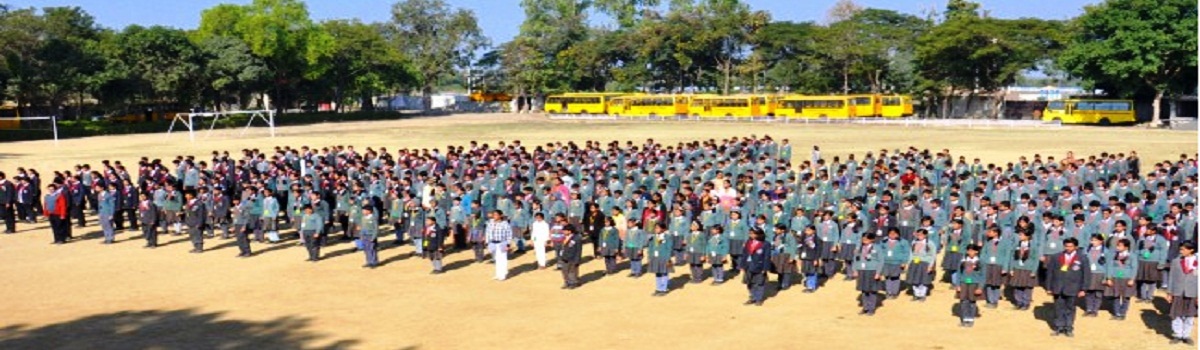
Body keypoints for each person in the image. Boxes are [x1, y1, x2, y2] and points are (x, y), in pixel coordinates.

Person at [1044, 237, 1088, 337]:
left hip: (1073, 287)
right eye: (1066, 246)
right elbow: (1050, 272)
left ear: (1076, 247)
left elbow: (1086, 274)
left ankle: (1068, 327)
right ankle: (1059, 327)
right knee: (1058, 307)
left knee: (1070, 308)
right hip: (1058, 286)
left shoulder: (1082, 258)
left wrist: (1083, 289)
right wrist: (1048, 287)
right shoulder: (1056, 256)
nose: (1068, 248)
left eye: (1070, 246)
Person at [1166, 241, 1197, 345]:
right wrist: (1169, 292)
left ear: (1191, 250)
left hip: (1193, 292)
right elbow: (1171, 277)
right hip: (1178, 291)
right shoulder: (1176, 261)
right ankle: (1178, 334)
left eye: (1183, 249)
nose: (1181, 251)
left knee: (1190, 315)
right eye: (1180, 249)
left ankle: (1186, 335)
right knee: (1176, 313)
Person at [1104, 238, 1137, 320]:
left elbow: (1134, 267)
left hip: (1127, 278)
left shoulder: (1132, 256)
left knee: (1126, 296)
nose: (1117, 247)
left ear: (1126, 247)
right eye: (1117, 245)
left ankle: (1123, 313)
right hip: (1116, 277)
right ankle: (1116, 312)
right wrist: (1109, 278)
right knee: (1116, 295)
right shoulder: (1114, 255)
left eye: (1120, 246)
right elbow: (1110, 266)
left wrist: (1132, 279)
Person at [1007, 229, 1040, 310]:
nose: (1020, 236)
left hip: (1028, 268)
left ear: (1027, 236)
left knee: (1027, 287)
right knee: (1017, 286)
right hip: (1017, 267)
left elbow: (1036, 259)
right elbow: (1012, 257)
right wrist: (1011, 268)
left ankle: (1026, 303)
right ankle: (1019, 302)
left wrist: (1033, 271)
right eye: (1019, 235)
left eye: (1021, 235)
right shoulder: (1017, 244)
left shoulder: (1033, 245)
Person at [853, 232, 884, 316]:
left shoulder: (877, 248)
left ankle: (871, 308)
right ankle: (865, 307)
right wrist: (855, 270)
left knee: (872, 290)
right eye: (863, 239)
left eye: (866, 239)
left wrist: (878, 273)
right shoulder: (859, 247)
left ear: (872, 240)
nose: (864, 241)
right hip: (862, 270)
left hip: (872, 270)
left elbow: (881, 260)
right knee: (864, 290)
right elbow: (855, 259)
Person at [1135, 226, 1168, 303]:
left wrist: (1161, 262)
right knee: (1142, 279)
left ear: (1154, 231)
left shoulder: (1160, 239)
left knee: (1152, 280)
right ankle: (1143, 296)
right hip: (1142, 260)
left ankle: (1149, 297)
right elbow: (1137, 248)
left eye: (1149, 229)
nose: (1147, 231)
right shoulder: (1142, 238)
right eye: (1147, 229)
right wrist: (1138, 256)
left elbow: (1163, 251)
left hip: (1154, 261)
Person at [979, 227, 1010, 308]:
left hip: (998, 265)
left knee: (996, 284)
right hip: (988, 264)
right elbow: (983, 252)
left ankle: (995, 301)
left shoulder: (1005, 243)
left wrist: (1005, 268)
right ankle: (990, 300)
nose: (989, 233)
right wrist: (983, 261)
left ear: (996, 233)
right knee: (988, 283)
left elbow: (1007, 256)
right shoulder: (988, 242)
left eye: (991, 232)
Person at [957, 244, 984, 327]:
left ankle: (971, 319)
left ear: (976, 251)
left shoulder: (980, 262)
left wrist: (980, 287)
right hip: (964, 283)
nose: (970, 252)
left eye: (972, 251)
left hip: (974, 283)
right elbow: (959, 273)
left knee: (972, 301)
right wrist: (958, 285)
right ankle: (965, 318)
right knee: (963, 301)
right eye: (968, 251)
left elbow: (983, 275)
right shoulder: (963, 261)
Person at [742, 228, 771, 306]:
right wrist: (742, 265)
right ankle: (752, 297)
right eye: (750, 233)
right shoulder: (748, 242)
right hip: (748, 265)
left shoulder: (765, 244)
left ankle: (759, 298)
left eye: (753, 233)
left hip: (759, 266)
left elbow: (767, 257)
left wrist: (765, 268)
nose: (751, 235)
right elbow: (744, 254)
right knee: (749, 282)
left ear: (759, 234)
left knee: (759, 283)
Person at [906, 228, 937, 301]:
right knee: (914, 279)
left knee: (923, 280)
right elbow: (911, 253)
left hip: (925, 263)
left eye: (921, 234)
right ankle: (916, 294)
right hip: (914, 263)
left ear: (925, 235)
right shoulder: (914, 242)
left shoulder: (930, 243)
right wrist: (909, 262)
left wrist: (930, 265)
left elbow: (933, 255)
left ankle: (922, 295)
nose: (919, 236)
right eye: (918, 234)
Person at [1081, 234, 1108, 317]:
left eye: (1095, 240)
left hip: (1100, 274)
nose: (1093, 242)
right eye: (1092, 240)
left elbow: (1108, 265)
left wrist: (1106, 277)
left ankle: (1095, 309)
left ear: (1101, 241)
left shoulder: (1106, 251)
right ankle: (1089, 309)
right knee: (1088, 292)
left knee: (1098, 292)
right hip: (1089, 273)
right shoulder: (1087, 250)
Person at [880, 227, 910, 299]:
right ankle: (888, 291)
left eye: (895, 233)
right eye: (890, 233)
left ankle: (894, 292)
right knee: (887, 277)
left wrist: (904, 262)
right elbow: (880, 250)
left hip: (897, 263)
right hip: (886, 262)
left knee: (895, 278)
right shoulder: (884, 241)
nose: (892, 235)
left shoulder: (903, 242)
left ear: (898, 234)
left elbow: (906, 253)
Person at [486, 210, 513, 281]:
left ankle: (503, 274)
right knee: (496, 259)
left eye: (496, 215)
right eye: (493, 215)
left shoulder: (505, 223)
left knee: (502, 259)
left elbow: (509, 234)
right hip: (492, 243)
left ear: (500, 215)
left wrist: (508, 244)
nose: (494, 216)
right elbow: (487, 232)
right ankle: (498, 274)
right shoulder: (490, 222)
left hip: (502, 243)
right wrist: (487, 242)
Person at [648, 223, 673, 296]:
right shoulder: (653, 237)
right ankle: (658, 288)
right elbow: (650, 247)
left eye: (658, 228)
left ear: (663, 229)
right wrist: (649, 257)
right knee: (657, 273)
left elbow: (669, 248)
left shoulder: (667, 237)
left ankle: (663, 289)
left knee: (664, 273)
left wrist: (668, 258)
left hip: (664, 257)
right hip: (655, 257)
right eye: (655, 228)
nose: (656, 229)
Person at [771, 223, 798, 291]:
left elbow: (793, 246)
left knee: (786, 270)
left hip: (786, 255)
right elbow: (774, 245)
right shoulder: (775, 236)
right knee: (779, 270)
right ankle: (780, 283)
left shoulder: (789, 236)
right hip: (778, 255)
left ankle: (785, 284)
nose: (776, 230)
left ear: (782, 230)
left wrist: (792, 257)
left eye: (777, 229)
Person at [798, 225, 823, 293]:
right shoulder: (803, 238)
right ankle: (808, 283)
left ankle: (811, 287)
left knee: (812, 272)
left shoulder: (817, 239)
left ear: (813, 231)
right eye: (806, 230)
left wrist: (816, 259)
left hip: (812, 258)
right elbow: (800, 247)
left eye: (809, 230)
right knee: (806, 271)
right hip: (805, 257)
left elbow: (818, 250)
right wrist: (800, 257)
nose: (807, 232)